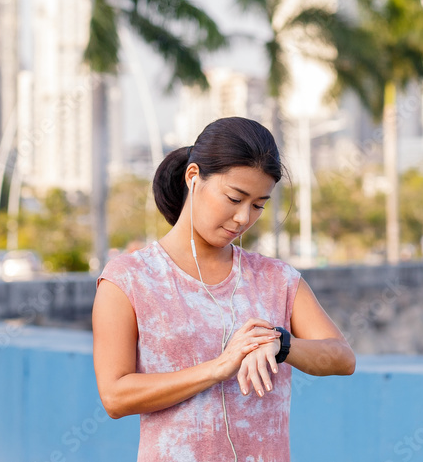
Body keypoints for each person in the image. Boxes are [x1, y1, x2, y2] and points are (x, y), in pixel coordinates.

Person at [92, 116, 355, 462]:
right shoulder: (129, 278)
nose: (244, 218)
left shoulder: (277, 278)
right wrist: (219, 367)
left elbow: (342, 357)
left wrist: (280, 343)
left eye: (258, 204)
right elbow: (115, 396)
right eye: (234, 198)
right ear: (193, 177)